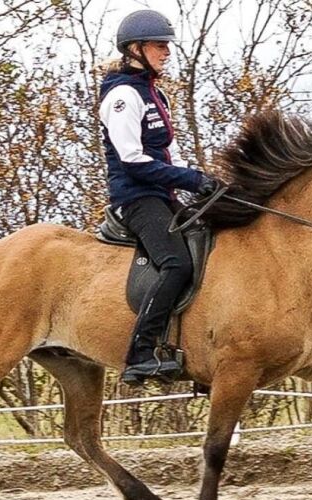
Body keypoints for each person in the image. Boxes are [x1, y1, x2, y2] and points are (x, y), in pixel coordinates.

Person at [98, 9, 220, 386]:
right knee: (176, 264)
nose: (166, 52)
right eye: (159, 45)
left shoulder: (155, 93)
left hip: (162, 194)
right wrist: (189, 179)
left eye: (166, 46)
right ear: (135, 49)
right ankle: (140, 352)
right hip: (136, 199)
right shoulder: (121, 96)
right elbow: (132, 159)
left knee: (211, 246)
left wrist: (202, 182)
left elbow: (170, 151)